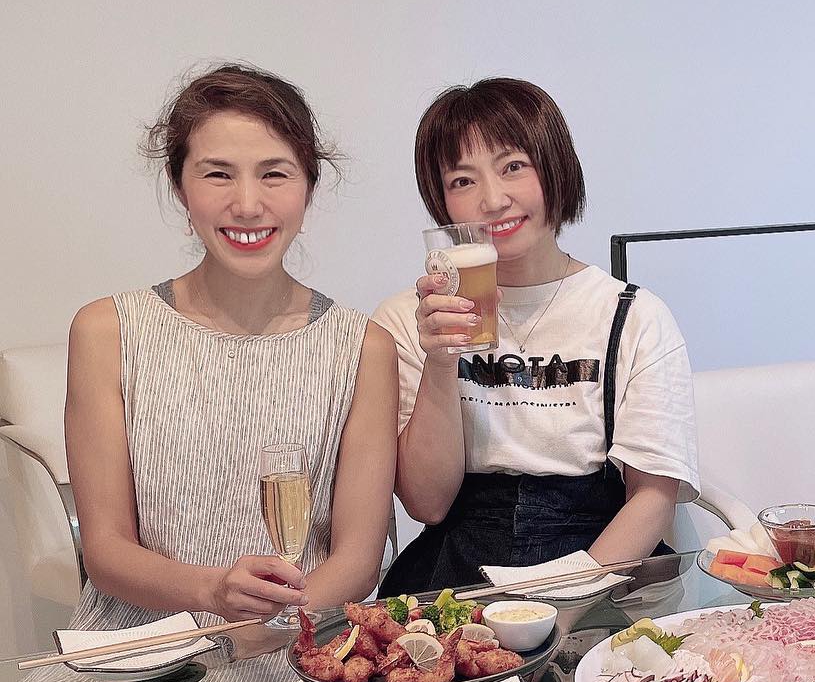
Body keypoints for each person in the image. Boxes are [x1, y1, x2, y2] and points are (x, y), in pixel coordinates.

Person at [64, 63, 398, 628]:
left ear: (309, 188)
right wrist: (211, 593)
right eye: (218, 174)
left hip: (298, 639)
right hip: (143, 639)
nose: (247, 204)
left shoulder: (363, 347)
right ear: (180, 187)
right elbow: (106, 549)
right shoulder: (106, 331)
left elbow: (358, 560)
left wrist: (266, 625)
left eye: (275, 174)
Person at [373, 78, 698, 592]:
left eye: (513, 167)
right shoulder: (408, 321)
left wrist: (563, 601)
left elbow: (652, 498)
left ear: (556, 168)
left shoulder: (634, 316)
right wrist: (440, 361)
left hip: (603, 567)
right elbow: (428, 504)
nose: (493, 199)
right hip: (459, 572)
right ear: (442, 202)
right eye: (463, 181)